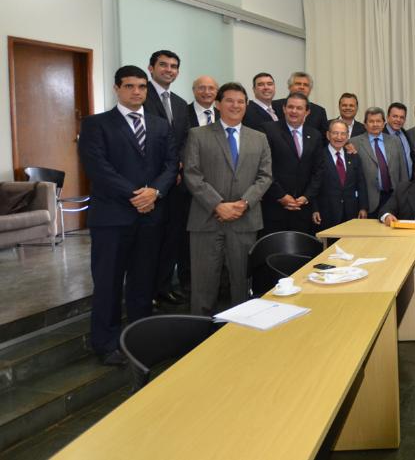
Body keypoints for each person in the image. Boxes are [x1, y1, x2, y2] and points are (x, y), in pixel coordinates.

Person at [79, 65, 178, 364]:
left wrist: (155, 192)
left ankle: (139, 337)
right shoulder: (96, 124)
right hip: (112, 218)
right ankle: (106, 344)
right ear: (117, 88)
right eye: (129, 86)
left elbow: (171, 165)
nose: (136, 92)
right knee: (108, 283)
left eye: (142, 87)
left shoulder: (160, 125)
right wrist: (137, 195)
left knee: (143, 282)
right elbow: (98, 168)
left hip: (150, 217)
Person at [183, 82, 273, 316]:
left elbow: (265, 176)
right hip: (206, 221)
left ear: (246, 105)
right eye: (230, 101)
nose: (235, 105)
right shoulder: (198, 135)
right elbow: (192, 174)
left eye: (241, 101)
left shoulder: (259, 138)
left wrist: (244, 203)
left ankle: (240, 330)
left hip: (245, 220)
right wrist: (217, 205)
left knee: (242, 283)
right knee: (203, 284)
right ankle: (200, 332)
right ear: (218, 104)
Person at [154, 75, 220, 308]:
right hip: (187, 187)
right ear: (194, 90)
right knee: (182, 238)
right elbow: (177, 143)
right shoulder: (183, 111)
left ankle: (214, 284)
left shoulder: (223, 113)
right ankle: (185, 283)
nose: (206, 92)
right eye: (201, 88)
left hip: (218, 187)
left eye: (211, 88)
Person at [259, 92, 323, 236]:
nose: (294, 111)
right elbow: (264, 168)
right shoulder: (268, 130)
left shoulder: (315, 135)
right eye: (290, 107)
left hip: (303, 209)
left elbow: (318, 170)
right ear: (284, 109)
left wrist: (306, 196)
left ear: (307, 112)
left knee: (302, 249)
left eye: (299, 108)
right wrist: (281, 196)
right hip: (274, 208)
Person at [350, 107, 408, 216]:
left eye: (378, 121)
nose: (375, 124)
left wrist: (404, 196)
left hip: (393, 197)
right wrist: (361, 205)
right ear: (365, 124)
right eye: (371, 121)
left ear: (383, 123)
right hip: (369, 200)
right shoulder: (354, 143)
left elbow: (403, 171)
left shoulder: (395, 141)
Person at [315, 119, 369, 229]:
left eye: (343, 134)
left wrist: (363, 207)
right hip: (326, 213)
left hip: (351, 213)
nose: (339, 137)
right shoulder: (318, 156)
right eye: (335, 133)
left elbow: (361, 183)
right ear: (328, 135)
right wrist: (314, 209)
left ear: (347, 136)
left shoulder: (353, 156)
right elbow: (314, 185)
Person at [271, 71, 329, 138]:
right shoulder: (275, 106)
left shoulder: (319, 111)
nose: (302, 87)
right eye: (298, 84)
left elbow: (324, 138)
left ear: (310, 89)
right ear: (289, 87)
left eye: (306, 85)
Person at [144, 50, 188, 127]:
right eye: (163, 65)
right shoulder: (140, 95)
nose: (168, 70)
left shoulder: (181, 104)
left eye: (173, 66)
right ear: (151, 68)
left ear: (177, 72)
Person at [384, 102, 414, 177]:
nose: (398, 120)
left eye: (402, 117)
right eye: (395, 116)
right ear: (387, 117)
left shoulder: (405, 133)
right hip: (390, 182)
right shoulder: (380, 135)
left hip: (409, 181)